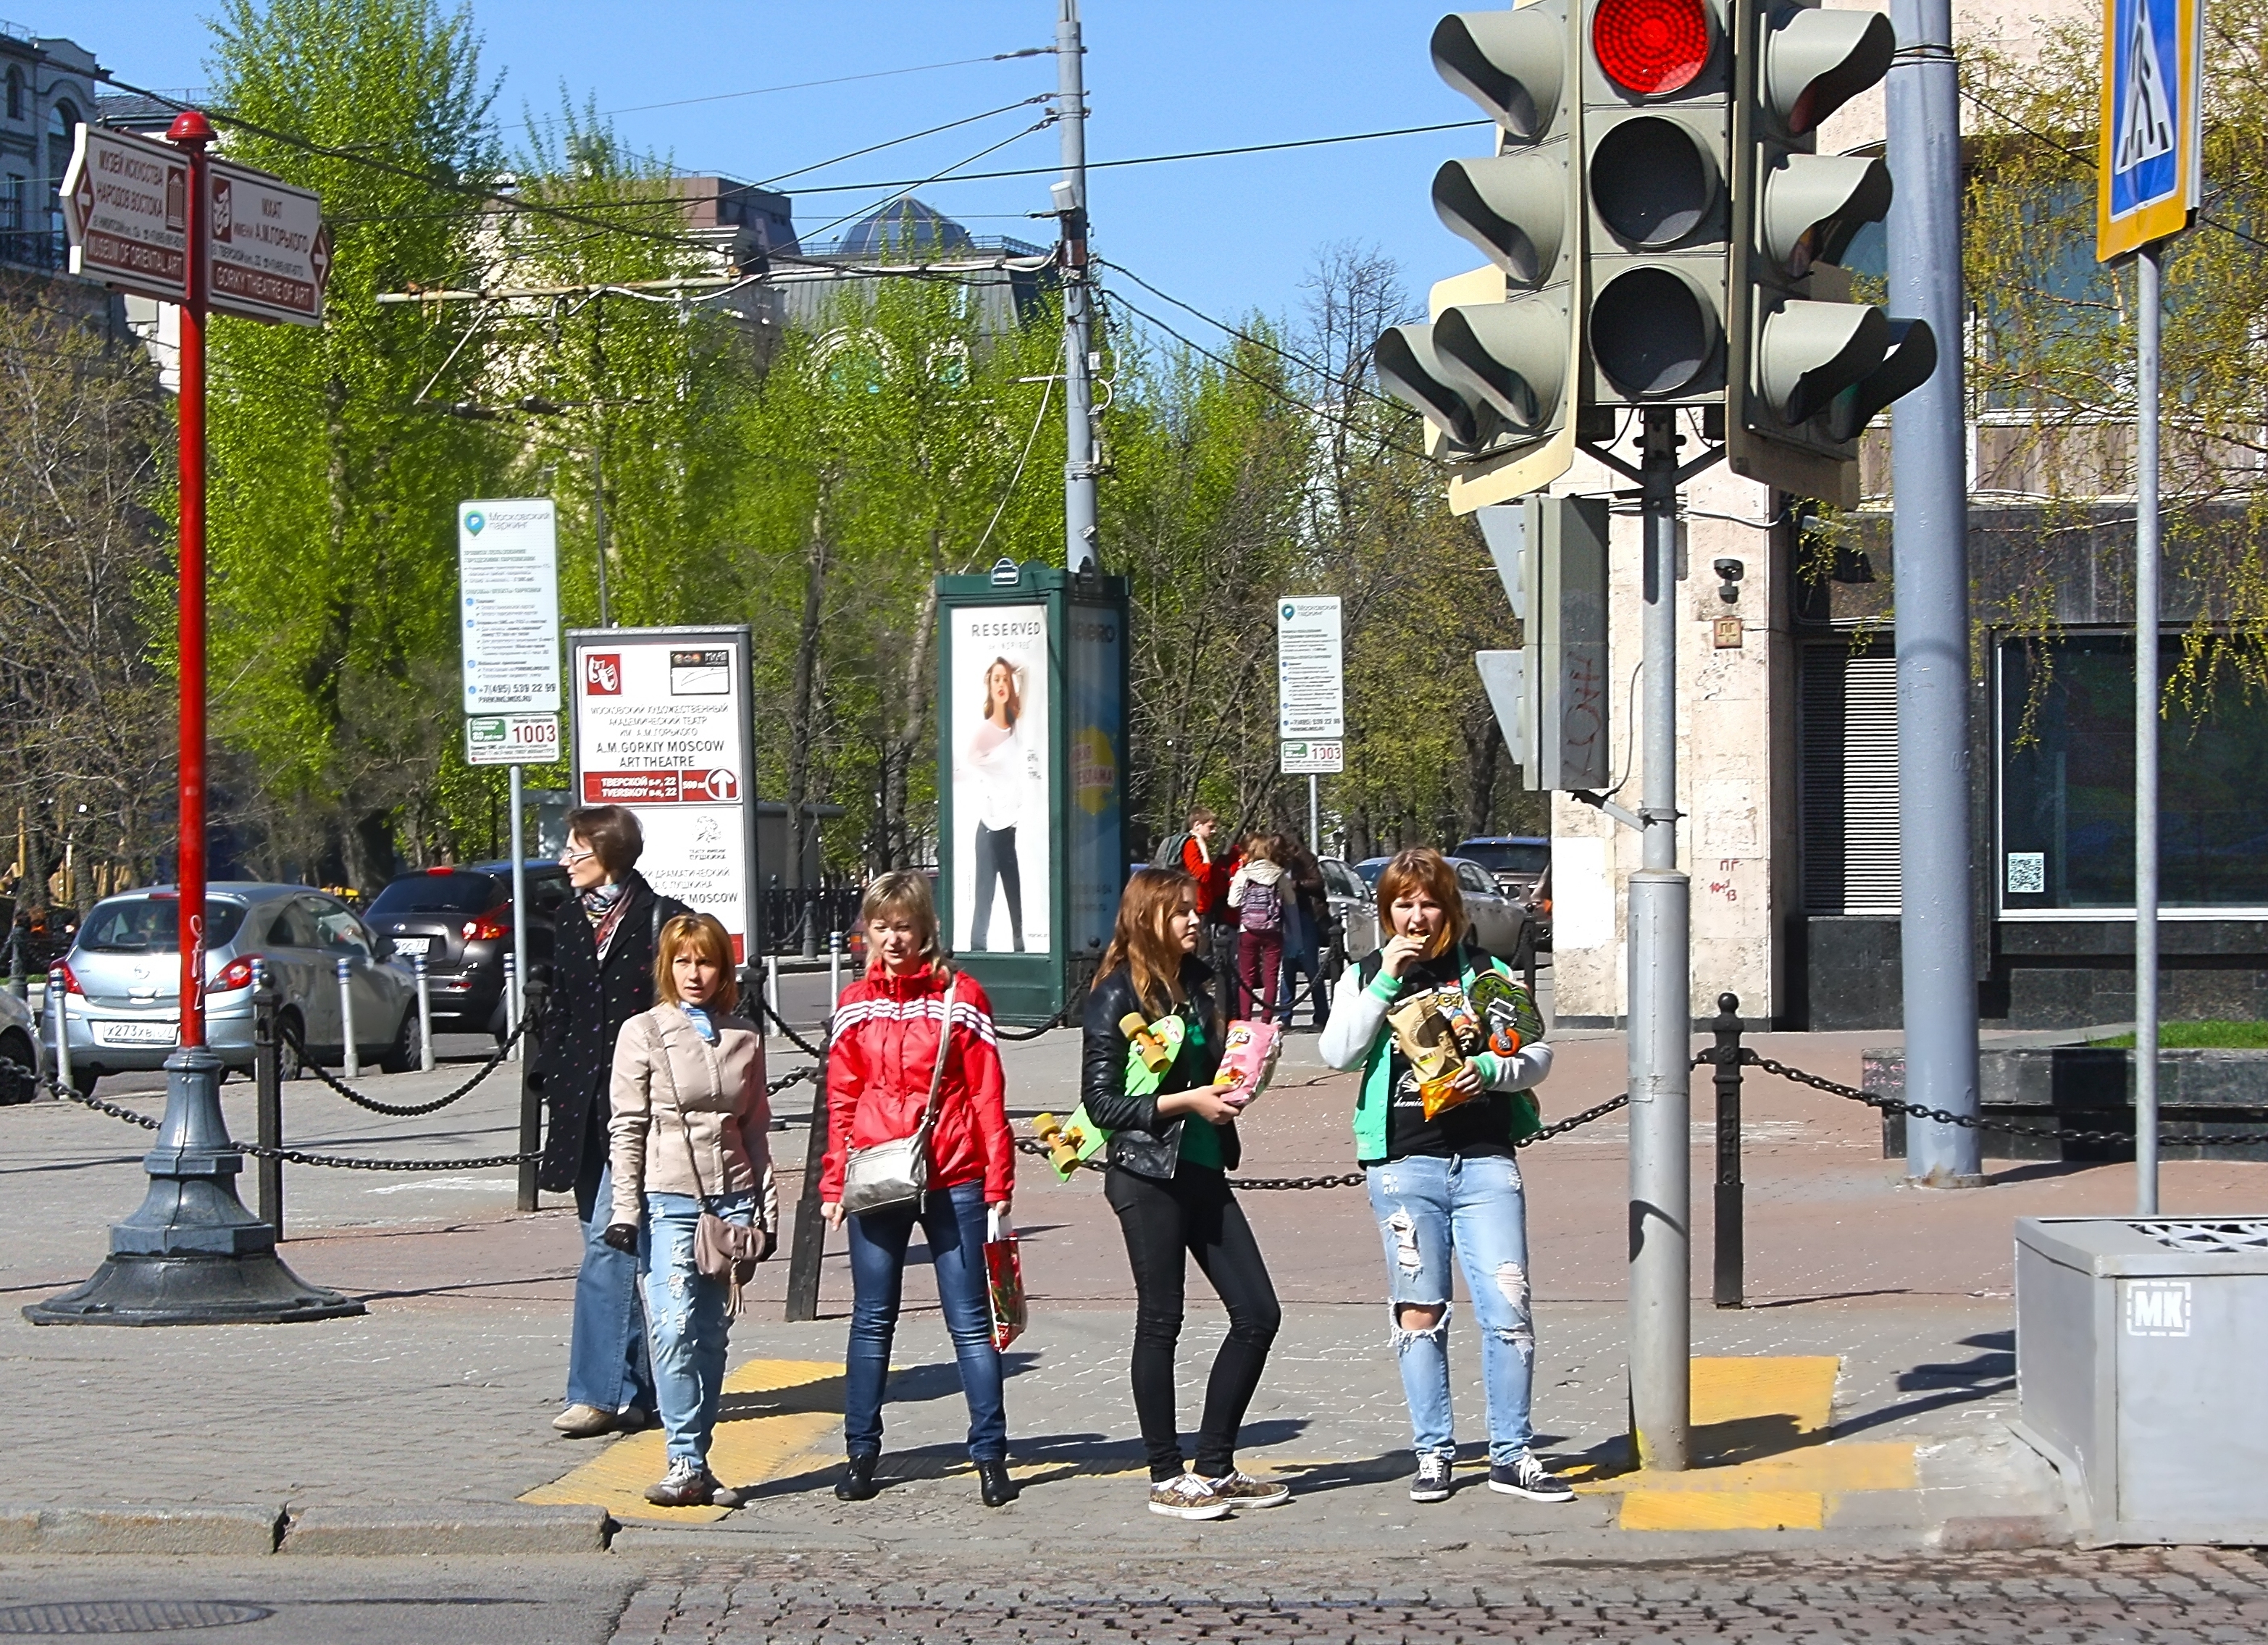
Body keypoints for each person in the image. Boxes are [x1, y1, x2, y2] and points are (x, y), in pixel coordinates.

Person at [1318, 847, 1573, 1507]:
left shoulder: (1487, 974)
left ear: (1451, 911)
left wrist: (1489, 1071)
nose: (1417, 917)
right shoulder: (1366, 974)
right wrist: (1382, 983)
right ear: (1385, 912)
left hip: (1484, 1159)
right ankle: (1432, 1452)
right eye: (1403, 904)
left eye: (1429, 903)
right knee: (1419, 1310)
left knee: (1508, 1310)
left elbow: (1537, 1054)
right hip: (1405, 1164)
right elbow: (1337, 1052)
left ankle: (1511, 1454)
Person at [1081, 868, 1286, 1521]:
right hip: (1146, 1174)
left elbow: (1215, 1066)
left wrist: (1245, 1071)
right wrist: (1185, 1102)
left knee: (1257, 1312)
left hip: (1202, 1166)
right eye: (1178, 913)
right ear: (1147, 920)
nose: (1193, 921)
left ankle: (1216, 1464)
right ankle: (1166, 1474)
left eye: (1194, 911)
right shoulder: (1115, 995)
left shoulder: (1197, 983)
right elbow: (1101, 1102)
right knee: (1161, 1319)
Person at [820, 871, 1018, 1508]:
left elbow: (988, 1092)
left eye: (903, 924)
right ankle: (859, 1452)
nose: (892, 937)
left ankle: (990, 1455)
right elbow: (841, 1098)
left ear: (925, 926)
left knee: (969, 1322)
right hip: (878, 1172)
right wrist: (832, 1182)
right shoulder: (854, 1002)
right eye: (880, 925)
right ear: (867, 931)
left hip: (954, 1170)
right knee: (872, 1319)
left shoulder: (963, 996)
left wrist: (999, 1182)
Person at [600, 913, 777, 1507]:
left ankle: (697, 1462)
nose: (694, 973)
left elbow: (755, 1133)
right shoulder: (643, 1032)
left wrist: (765, 1213)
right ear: (666, 966)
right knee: (670, 1327)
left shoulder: (744, 1037)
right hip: (667, 1200)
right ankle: (681, 1457)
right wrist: (624, 1209)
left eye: (705, 961)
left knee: (708, 1334)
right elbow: (626, 1127)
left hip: (731, 1204)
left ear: (723, 968)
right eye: (682, 961)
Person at [537, 805, 688, 1439]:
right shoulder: (568, 919)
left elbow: (682, 1011)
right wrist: (549, 1076)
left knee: (607, 1244)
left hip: (640, 1111)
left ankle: (593, 1394)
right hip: (580, 1108)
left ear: (610, 854)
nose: (565, 860)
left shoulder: (661, 918)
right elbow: (562, 1006)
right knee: (613, 1249)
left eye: (576, 849)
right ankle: (634, 1393)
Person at [965, 657, 1031, 953]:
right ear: (988, 688)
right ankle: (978, 947)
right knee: (985, 892)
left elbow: (1026, 674)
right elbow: (971, 764)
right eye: (996, 680)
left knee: (1015, 891)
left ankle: (1020, 945)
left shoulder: (1015, 721)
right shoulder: (985, 731)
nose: (1002, 685)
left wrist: (1016, 670)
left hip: (1010, 827)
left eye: (1005, 679)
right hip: (990, 827)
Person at [1226, 834, 1288, 1021]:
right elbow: (1290, 900)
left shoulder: (1244, 873)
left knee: (1247, 978)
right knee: (1271, 977)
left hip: (1248, 930)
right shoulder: (1279, 873)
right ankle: (1266, 1020)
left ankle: (1245, 1019)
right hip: (1273, 930)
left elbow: (1233, 902)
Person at [1273, 834, 1331, 1031]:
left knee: (1311, 968)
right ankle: (1285, 1016)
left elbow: (1318, 882)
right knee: (1287, 968)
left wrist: (1296, 886)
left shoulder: (1303, 857)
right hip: (1287, 917)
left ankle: (1322, 1015)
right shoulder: (1276, 864)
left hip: (1307, 915)